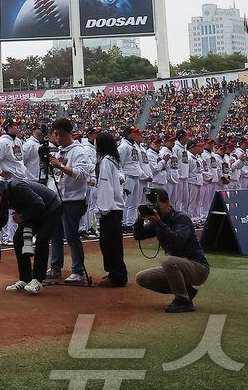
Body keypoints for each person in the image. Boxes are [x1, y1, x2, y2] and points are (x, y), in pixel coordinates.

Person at [0, 175, 62, 294]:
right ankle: (25, 278)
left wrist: (22, 216)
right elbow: (1, 220)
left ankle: (37, 279)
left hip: (51, 208)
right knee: (18, 239)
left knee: (42, 239)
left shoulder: (18, 187)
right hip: (33, 211)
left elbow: (39, 204)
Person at [133, 187, 210, 313]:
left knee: (168, 261)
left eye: (157, 205)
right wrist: (140, 219)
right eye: (151, 205)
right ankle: (187, 291)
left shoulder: (181, 218)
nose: (154, 208)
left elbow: (177, 241)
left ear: (167, 202)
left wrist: (159, 223)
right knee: (142, 278)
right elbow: (138, 235)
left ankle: (183, 300)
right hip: (178, 266)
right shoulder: (159, 220)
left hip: (197, 267)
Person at [47, 117, 93, 284]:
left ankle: (78, 270)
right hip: (58, 199)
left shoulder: (79, 151)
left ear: (69, 133)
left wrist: (59, 166)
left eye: (61, 134)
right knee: (56, 235)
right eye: (55, 134)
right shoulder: (59, 152)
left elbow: (81, 175)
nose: (58, 138)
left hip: (73, 199)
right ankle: (55, 267)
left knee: (72, 236)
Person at [88, 131, 128, 288]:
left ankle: (116, 275)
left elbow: (106, 187)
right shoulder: (112, 160)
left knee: (109, 243)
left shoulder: (106, 161)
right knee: (113, 243)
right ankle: (116, 272)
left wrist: (102, 209)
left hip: (110, 208)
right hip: (115, 207)